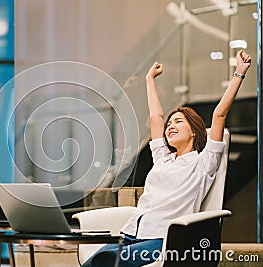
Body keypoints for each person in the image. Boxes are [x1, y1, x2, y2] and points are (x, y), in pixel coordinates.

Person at [81, 49, 252, 267]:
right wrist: (149, 80)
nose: (170, 126)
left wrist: (239, 73)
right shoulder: (163, 158)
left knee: (106, 261)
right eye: (169, 124)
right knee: (94, 259)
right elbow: (155, 116)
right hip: (131, 233)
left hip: (161, 240)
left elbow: (219, 114)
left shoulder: (204, 162)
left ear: (194, 131)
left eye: (178, 122)